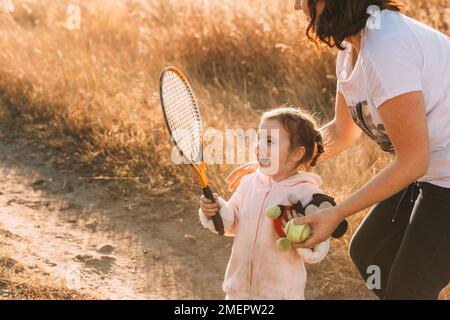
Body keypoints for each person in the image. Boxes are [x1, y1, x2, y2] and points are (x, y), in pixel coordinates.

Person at [227, 0, 450, 299]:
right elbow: (341, 132)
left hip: (442, 181)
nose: (296, 7)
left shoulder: (387, 48)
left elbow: (413, 162)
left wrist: (336, 213)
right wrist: (273, 163)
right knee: (370, 252)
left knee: (407, 291)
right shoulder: (350, 49)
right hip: (431, 172)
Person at [199, 107, 331, 300]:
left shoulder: (308, 195)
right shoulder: (250, 183)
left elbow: (317, 249)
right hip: (239, 292)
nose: (259, 145)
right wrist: (216, 209)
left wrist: (301, 238)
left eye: (269, 141)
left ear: (296, 153)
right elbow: (231, 223)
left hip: (279, 295)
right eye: (259, 138)